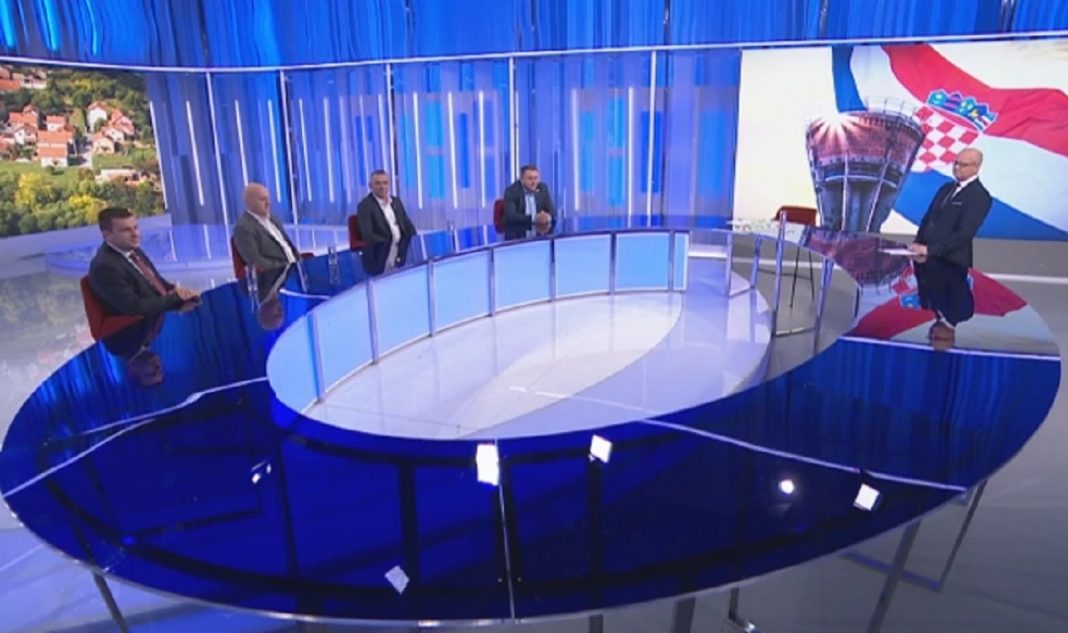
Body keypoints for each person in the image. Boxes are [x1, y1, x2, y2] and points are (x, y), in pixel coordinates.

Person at [88, 207, 199, 317]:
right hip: (142, 324)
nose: (135, 234)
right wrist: (175, 298)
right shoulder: (104, 267)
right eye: (126, 230)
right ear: (107, 235)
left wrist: (176, 291)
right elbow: (134, 307)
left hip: (160, 313)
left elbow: (156, 281)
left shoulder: (132, 249)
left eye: (135, 228)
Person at [908, 148, 992, 268]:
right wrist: (917, 243)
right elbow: (928, 219)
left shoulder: (979, 196)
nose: (957, 167)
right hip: (926, 260)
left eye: (963, 164)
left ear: (976, 167)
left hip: (952, 264)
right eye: (956, 163)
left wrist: (931, 250)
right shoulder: (946, 188)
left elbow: (964, 234)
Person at [355, 170, 417, 271]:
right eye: (378, 183)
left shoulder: (396, 202)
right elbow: (368, 235)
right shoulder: (365, 206)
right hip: (379, 256)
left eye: (385, 183)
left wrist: (414, 241)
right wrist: (390, 241)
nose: (382, 187)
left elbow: (408, 225)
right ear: (370, 186)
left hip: (400, 250)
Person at [233, 182, 300, 272]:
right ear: (249, 202)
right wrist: (286, 267)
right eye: (262, 199)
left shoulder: (273, 219)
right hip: (275, 275)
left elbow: (288, 246)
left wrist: (300, 263)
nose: (268, 203)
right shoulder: (243, 227)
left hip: (294, 269)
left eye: (268, 199)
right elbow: (255, 261)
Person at [501, 164, 556, 238]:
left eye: (536, 178)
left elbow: (553, 212)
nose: (534, 182)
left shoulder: (542, 188)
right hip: (517, 235)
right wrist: (534, 218)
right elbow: (511, 217)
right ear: (521, 179)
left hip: (539, 233)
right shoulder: (511, 191)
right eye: (530, 179)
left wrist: (546, 217)